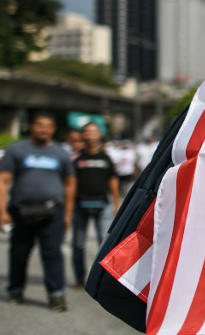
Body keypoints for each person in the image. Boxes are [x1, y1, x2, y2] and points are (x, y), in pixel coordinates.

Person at [0, 112, 76, 311]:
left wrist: (67, 214)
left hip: (52, 212)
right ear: (31, 126)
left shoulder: (60, 153)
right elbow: (3, 180)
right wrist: (2, 212)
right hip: (21, 210)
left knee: (52, 253)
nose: (43, 129)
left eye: (48, 125)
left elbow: (70, 183)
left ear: (53, 129)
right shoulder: (17, 150)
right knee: (19, 253)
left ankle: (56, 294)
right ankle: (15, 289)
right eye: (39, 125)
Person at [72, 122, 120, 287]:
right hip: (80, 206)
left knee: (104, 243)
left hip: (103, 204)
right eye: (87, 132)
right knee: (78, 243)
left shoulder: (106, 158)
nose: (91, 135)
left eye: (94, 131)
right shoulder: (76, 158)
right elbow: (70, 184)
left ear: (99, 135)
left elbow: (113, 180)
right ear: (83, 135)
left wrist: (116, 203)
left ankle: (101, 280)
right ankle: (79, 278)